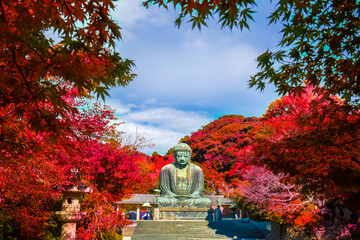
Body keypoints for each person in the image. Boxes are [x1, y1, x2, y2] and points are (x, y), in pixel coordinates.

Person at [157, 143, 211, 208]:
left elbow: (199, 190)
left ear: (190, 156)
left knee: (207, 202)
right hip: (173, 199)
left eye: (185, 156)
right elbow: (164, 190)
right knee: (159, 201)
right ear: (174, 156)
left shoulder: (197, 170)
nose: (182, 158)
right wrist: (171, 195)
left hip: (190, 199)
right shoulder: (166, 169)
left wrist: (193, 195)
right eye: (179, 156)